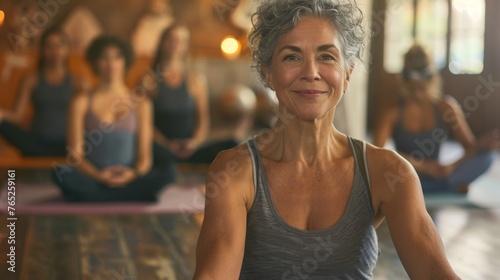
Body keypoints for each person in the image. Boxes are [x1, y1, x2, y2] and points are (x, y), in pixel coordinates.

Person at [194, 0, 461, 279]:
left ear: (347, 73)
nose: (311, 72)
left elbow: (435, 274)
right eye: (291, 57)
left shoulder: (389, 172)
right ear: (267, 74)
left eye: (327, 57)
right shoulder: (234, 172)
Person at [52, 36, 174, 202]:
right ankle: (126, 196)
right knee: (59, 172)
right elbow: (75, 155)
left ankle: (98, 197)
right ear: (95, 62)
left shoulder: (141, 103)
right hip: (93, 178)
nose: (111, 63)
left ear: (125, 61)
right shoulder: (80, 102)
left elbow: (145, 157)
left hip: (129, 178)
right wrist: (98, 176)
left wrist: (133, 174)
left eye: (117, 57)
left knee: (169, 171)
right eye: (104, 58)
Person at [373, 44, 499, 193]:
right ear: (404, 82)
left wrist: (480, 146)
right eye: (413, 89)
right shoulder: (392, 110)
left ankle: (437, 186)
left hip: (439, 175)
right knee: (382, 173)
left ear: (432, 80)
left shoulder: (446, 107)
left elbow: (470, 147)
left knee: (488, 157)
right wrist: (424, 167)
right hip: (406, 175)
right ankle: (448, 186)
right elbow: (377, 154)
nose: (418, 95)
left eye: (422, 89)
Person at [140, 24, 244, 167]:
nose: (175, 44)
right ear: (162, 42)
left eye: (180, 40)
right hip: (161, 148)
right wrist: (167, 145)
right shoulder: (148, 81)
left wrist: (194, 143)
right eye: (171, 39)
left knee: (232, 145)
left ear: (185, 46)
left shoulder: (196, 81)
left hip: (189, 148)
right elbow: (145, 125)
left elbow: (203, 122)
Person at [0, 27, 88, 156]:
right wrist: (1, 114)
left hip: (67, 145)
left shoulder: (78, 81)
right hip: (35, 143)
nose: (55, 51)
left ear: (67, 48)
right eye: (49, 46)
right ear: (42, 50)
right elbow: (17, 115)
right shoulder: (31, 80)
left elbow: (88, 115)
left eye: (60, 45)